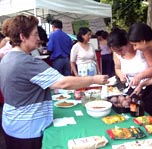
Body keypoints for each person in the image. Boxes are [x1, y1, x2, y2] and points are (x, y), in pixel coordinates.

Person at [0, 15, 109, 149]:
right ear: (23, 37)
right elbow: (63, 83)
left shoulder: (7, 58)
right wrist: (94, 79)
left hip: (12, 125)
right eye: (35, 34)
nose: (39, 39)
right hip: (27, 129)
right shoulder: (26, 62)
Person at [107, 28, 152, 116]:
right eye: (115, 51)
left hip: (149, 88)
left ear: (128, 42)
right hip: (132, 88)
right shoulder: (117, 53)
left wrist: (140, 76)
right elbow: (117, 68)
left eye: (120, 50)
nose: (119, 53)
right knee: (132, 113)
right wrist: (121, 75)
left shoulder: (142, 48)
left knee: (146, 115)